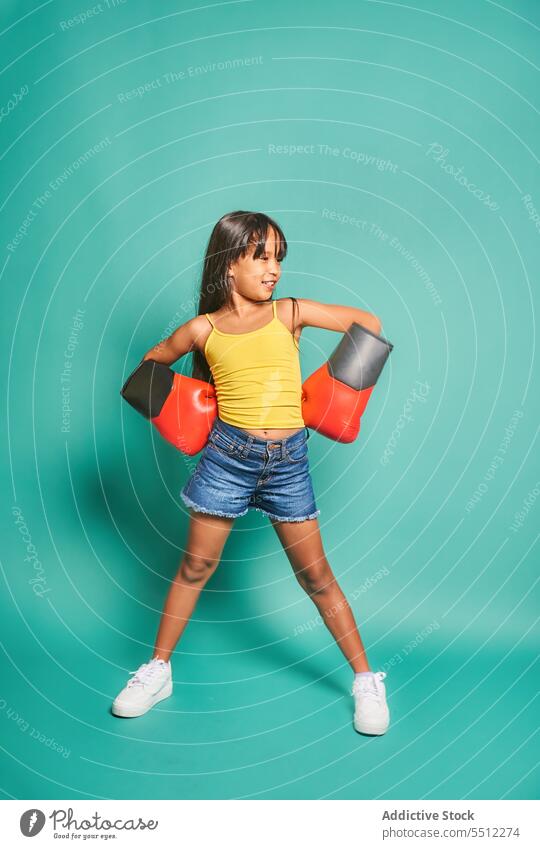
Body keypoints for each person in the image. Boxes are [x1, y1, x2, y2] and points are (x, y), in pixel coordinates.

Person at [112, 210, 390, 735]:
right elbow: (153, 362)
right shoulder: (202, 329)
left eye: (279, 258)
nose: (273, 269)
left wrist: (326, 392)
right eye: (260, 256)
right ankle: (158, 671)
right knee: (194, 568)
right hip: (226, 460)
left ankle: (365, 681)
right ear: (227, 265)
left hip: (288, 464)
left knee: (316, 577)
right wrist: (187, 405)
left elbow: (369, 325)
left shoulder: (290, 313)